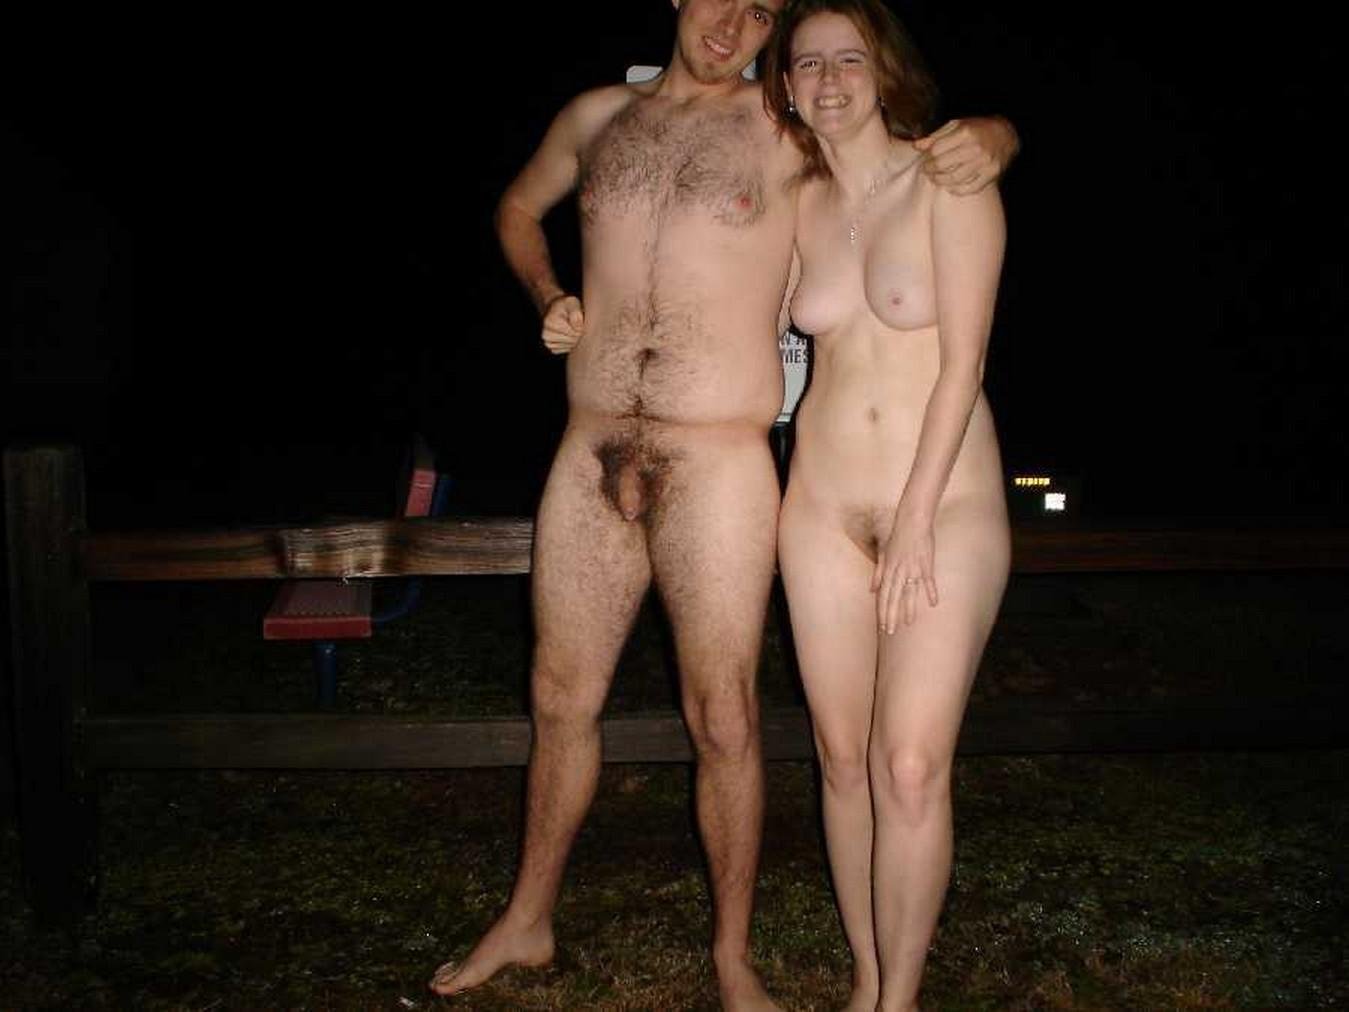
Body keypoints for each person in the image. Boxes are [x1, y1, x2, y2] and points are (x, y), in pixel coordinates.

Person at [430, 2, 1016, 1006]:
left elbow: (913, 147)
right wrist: (546, 296)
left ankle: (736, 959)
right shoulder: (598, 119)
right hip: (594, 448)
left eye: (761, 10)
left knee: (732, 719)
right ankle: (526, 919)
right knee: (560, 699)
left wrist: (999, 133)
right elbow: (517, 209)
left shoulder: (787, 132)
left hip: (726, 462)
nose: (734, 21)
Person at [761, 1, 1012, 1009]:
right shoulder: (795, 203)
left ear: (884, 71)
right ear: (785, 88)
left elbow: (964, 365)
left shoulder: (949, 177)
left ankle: (897, 1000)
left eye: (848, 59)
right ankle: (867, 981)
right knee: (839, 759)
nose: (828, 80)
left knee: (906, 763)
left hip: (942, 507)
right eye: (806, 64)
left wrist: (911, 523)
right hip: (818, 511)